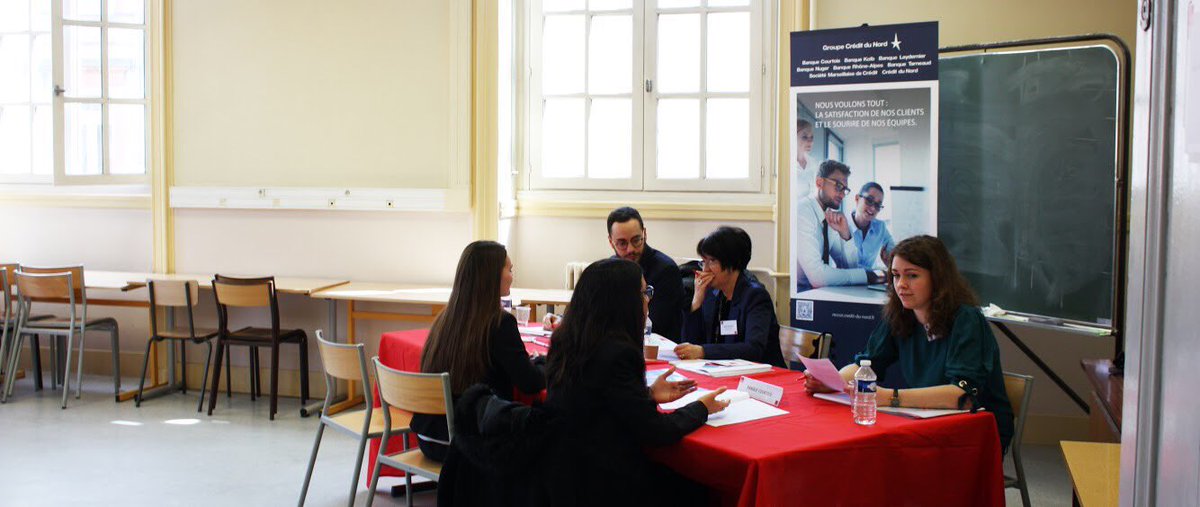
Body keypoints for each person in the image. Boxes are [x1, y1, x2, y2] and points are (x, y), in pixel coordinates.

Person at [542, 258, 729, 505]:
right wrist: (702, 408)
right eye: (644, 292)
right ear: (623, 302)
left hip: (564, 473)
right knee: (705, 490)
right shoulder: (619, 353)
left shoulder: (566, 340)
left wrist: (648, 395)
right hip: (606, 483)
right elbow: (656, 432)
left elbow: (595, 399)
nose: (648, 299)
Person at [802, 235, 1015, 451]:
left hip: (976, 430)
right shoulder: (901, 314)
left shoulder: (966, 319)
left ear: (937, 279)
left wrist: (891, 397)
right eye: (895, 276)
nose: (901, 285)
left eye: (912, 276)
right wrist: (833, 382)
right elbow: (866, 364)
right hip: (929, 421)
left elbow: (963, 395)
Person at [413, 240, 546, 462]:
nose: (512, 276)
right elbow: (530, 383)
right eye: (509, 269)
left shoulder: (444, 319)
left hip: (427, 436)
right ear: (492, 275)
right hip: (467, 442)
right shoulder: (500, 323)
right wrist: (546, 363)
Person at [675, 227, 786, 367]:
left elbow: (753, 349)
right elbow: (690, 343)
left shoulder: (755, 296)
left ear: (731, 263)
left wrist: (704, 351)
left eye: (712, 261)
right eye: (704, 261)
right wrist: (696, 302)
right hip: (722, 372)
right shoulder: (711, 293)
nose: (705, 269)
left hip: (762, 379)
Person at [794, 160, 886, 291]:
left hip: (822, 295)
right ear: (819, 183)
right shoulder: (802, 211)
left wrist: (846, 235)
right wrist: (866, 276)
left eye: (845, 189)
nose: (842, 194)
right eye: (838, 186)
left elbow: (850, 267)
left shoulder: (830, 217)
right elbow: (817, 276)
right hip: (800, 296)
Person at [606, 206, 685, 341]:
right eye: (622, 243)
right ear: (611, 242)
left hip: (657, 348)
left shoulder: (666, 270)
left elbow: (654, 324)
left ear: (645, 234)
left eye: (636, 240)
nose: (630, 249)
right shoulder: (609, 269)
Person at [849, 182, 896, 270]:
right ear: (857, 199)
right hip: (842, 282)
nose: (873, 208)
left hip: (869, 282)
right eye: (869, 200)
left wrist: (890, 263)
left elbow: (893, 252)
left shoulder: (880, 227)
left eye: (878, 205)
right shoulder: (841, 226)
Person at [792, 119, 817, 199]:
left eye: (811, 137)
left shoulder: (814, 163)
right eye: (804, 137)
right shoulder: (786, 164)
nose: (810, 142)